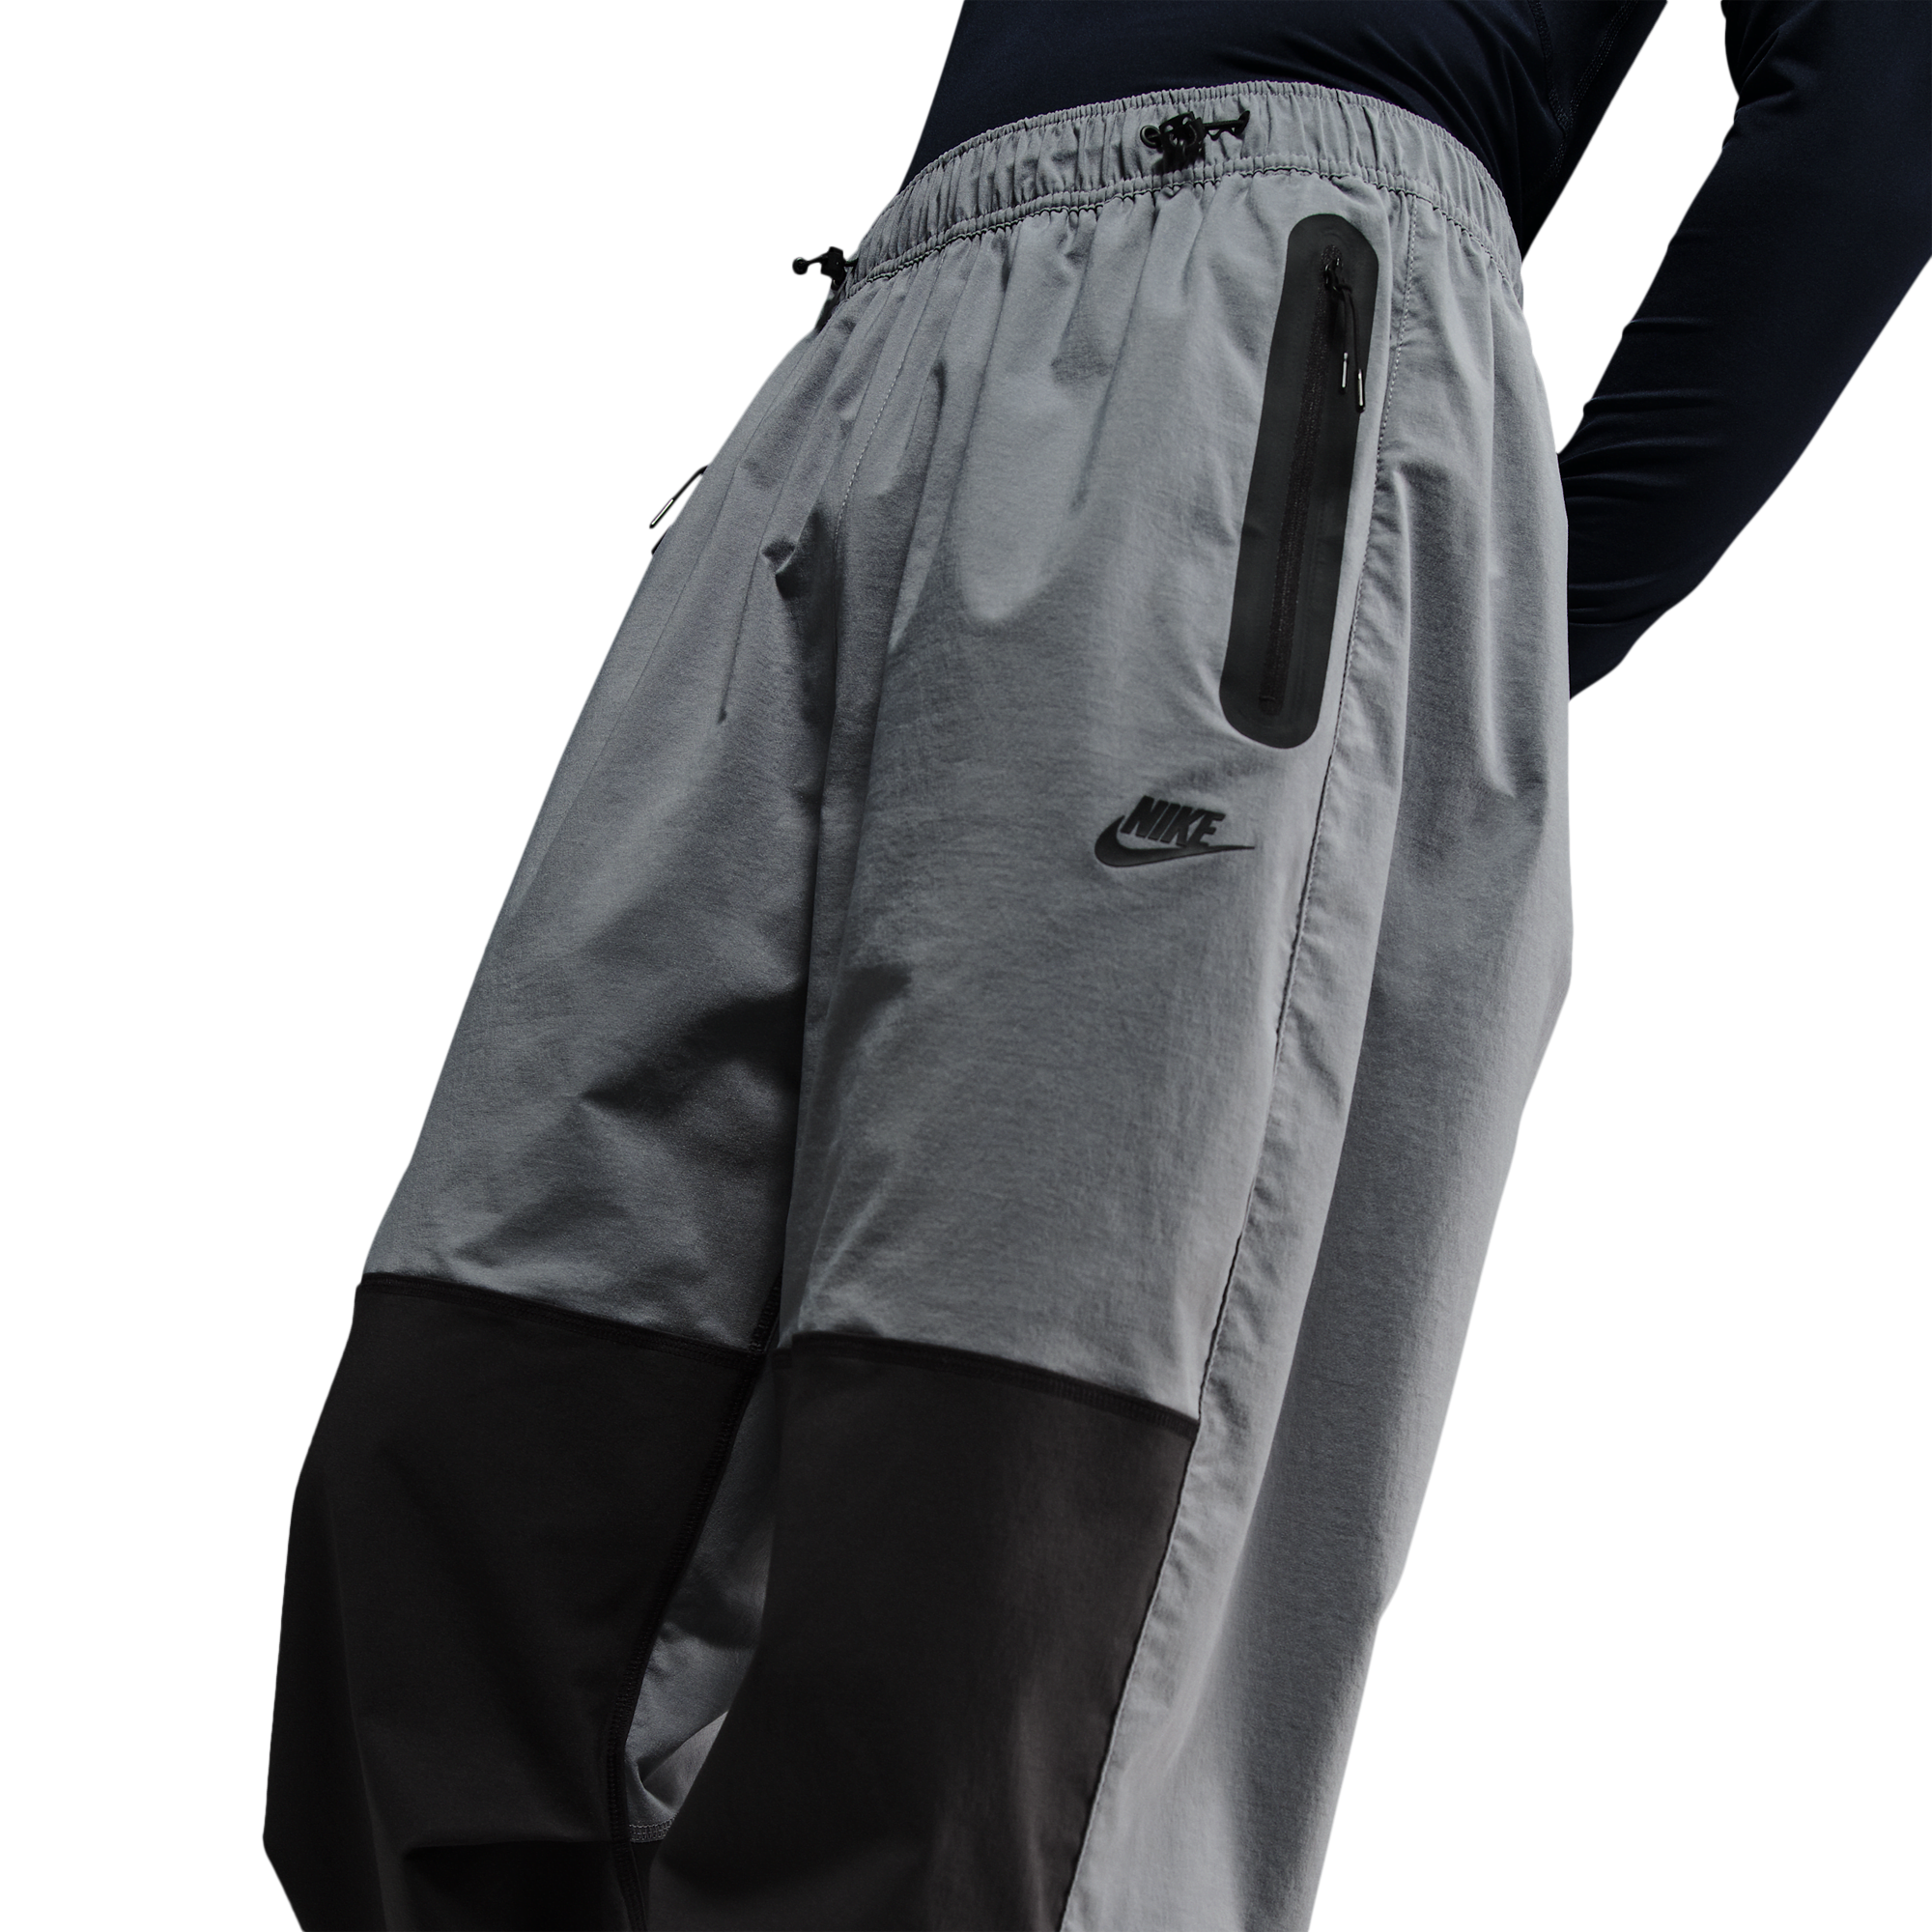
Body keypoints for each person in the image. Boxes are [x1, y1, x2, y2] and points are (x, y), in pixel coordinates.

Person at [264, 5, 1930, 1928]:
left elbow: (1876, 108)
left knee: (992, 1523)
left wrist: (1509, 625)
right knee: (468, 1447)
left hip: (1254, 320)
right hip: (871, 338)